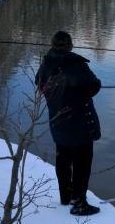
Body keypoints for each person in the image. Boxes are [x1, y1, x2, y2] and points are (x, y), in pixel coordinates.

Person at [35, 31, 102, 216]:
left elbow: (39, 84)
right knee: (82, 164)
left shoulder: (46, 64)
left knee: (63, 161)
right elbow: (94, 86)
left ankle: (66, 197)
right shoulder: (77, 64)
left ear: (53, 44)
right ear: (70, 45)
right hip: (80, 125)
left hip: (58, 123)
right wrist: (77, 91)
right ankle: (79, 203)